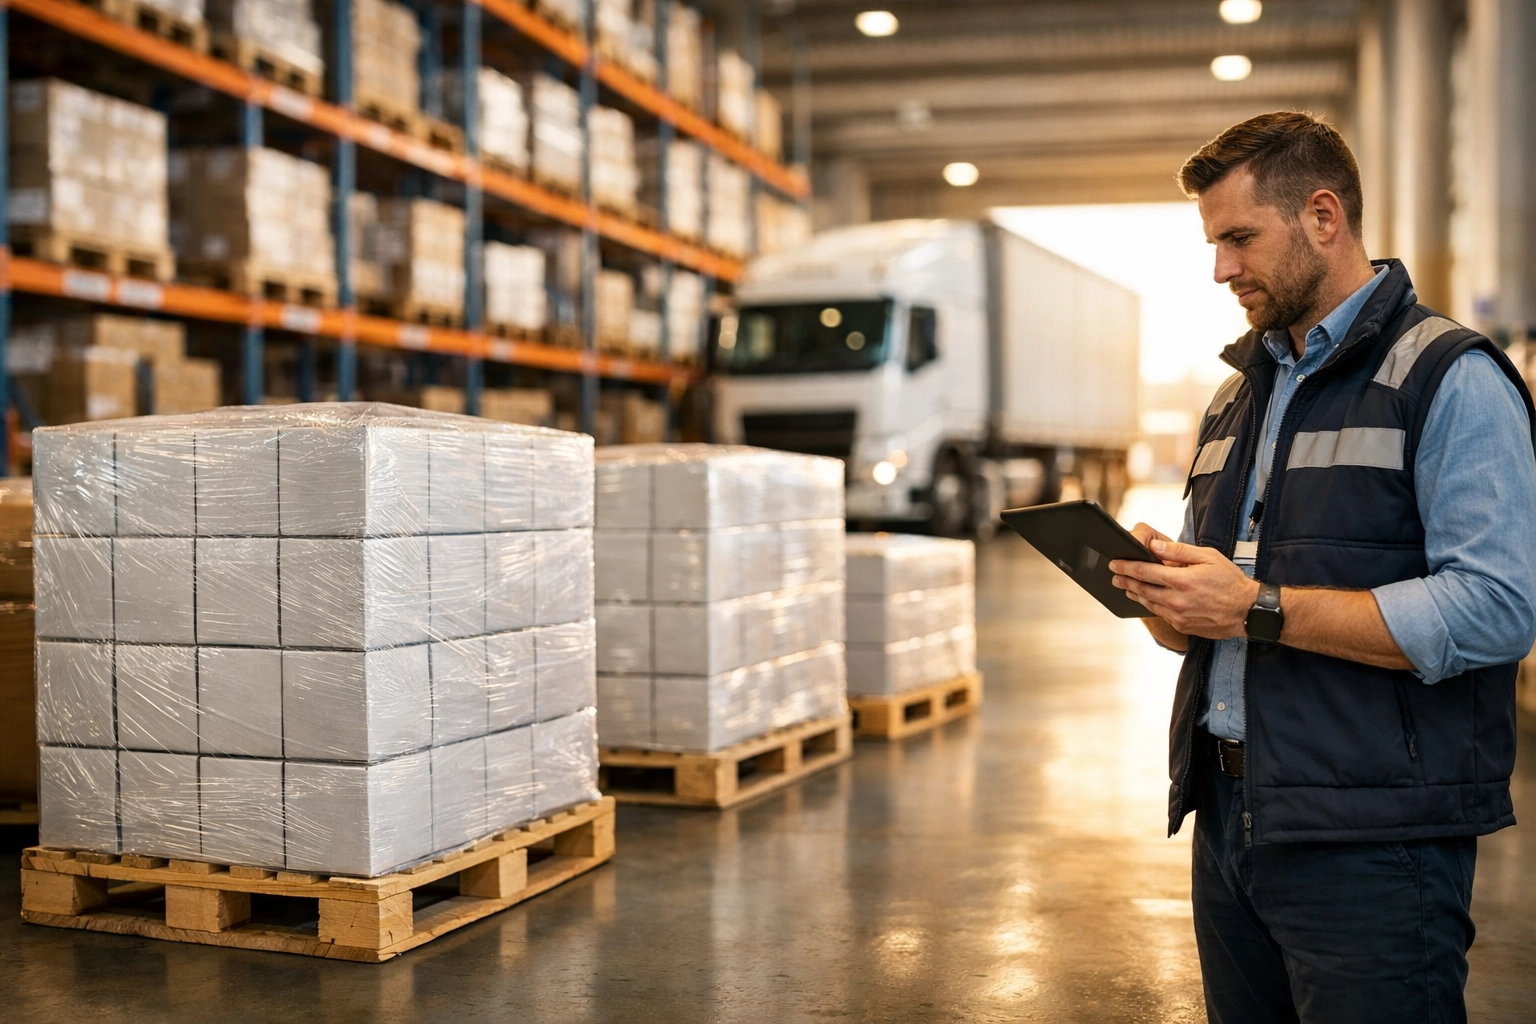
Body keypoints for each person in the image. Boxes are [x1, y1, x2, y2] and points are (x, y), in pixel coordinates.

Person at [1108, 110, 1536, 1023]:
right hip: (1230, 820)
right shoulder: (1234, 399)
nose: (1221, 268)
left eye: (1239, 238)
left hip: (1376, 842)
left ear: (1324, 216)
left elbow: (1496, 608)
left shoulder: (1448, 377)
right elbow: (1209, 620)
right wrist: (1164, 596)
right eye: (1213, 242)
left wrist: (1257, 607)